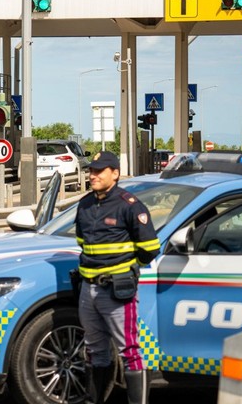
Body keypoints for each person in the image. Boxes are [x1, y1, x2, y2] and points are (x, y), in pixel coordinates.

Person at [74, 151, 160, 404]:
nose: (92, 175)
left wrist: (127, 271)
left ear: (115, 173)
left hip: (116, 292)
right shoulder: (85, 203)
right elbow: (82, 241)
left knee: (130, 352)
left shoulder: (129, 205)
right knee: (95, 351)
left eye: (99, 171)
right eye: (91, 170)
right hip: (88, 291)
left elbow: (150, 248)